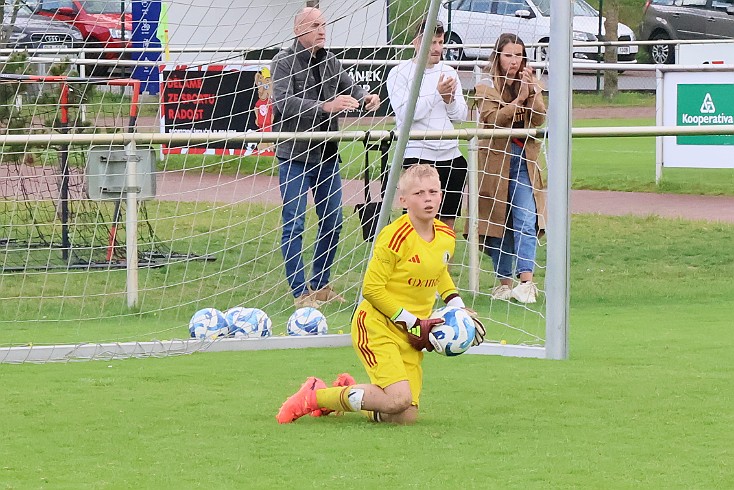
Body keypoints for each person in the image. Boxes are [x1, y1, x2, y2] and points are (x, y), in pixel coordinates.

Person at [276, 164, 485, 425]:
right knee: (398, 400)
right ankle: (315, 396)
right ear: (403, 200)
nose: (428, 198)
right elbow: (371, 289)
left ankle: (354, 392)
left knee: (404, 416)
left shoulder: (445, 235)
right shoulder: (394, 236)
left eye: (433, 191)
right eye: (419, 193)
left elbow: (439, 270)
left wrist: (457, 305)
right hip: (377, 326)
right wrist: (414, 322)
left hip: (411, 333)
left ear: (441, 195)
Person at [271, 7, 381, 309]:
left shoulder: (331, 61)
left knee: (333, 221)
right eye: (315, 25)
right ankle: (299, 293)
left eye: (324, 25)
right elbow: (282, 102)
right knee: (293, 224)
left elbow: (352, 88)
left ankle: (320, 285)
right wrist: (325, 106)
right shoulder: (283, 62)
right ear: (298, 31)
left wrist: (366, 98)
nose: (322, 30)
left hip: (327, 154)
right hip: (294, 154)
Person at [474, 33, 547, 304]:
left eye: (518, 55)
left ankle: (526, 281)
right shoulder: (486, 86)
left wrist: (532, 93)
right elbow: (493, 120)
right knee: (498, 221)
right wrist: (518, 101)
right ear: (498, 57)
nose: (514, 61)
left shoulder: (530, 82)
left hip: (523, 159)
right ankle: (503, 281)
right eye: (508, 55)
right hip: (495, 159)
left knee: (526, 218)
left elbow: (538, 118)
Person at [386, 19, 469, 230]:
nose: (437, 48)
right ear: (416, 42)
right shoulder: (399, 73)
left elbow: (460, 116)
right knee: (417, 224)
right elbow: (406, 115)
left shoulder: (449, 71)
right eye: (432, 42)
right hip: (418, 155)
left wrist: (449, 99)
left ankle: (443, 265)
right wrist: (436, 95)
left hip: (451, 156)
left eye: (440, 42)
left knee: (447, 227)